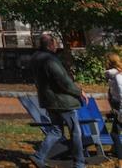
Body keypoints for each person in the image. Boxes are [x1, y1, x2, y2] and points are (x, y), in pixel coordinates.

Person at [30, 33, 88, 168]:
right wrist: (79, 92)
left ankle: (39, 156)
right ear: (51, 44)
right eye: (55, 43)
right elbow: (63, 80)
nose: (56, 46)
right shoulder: (49, 60)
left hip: (49, 100)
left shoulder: (35, 58)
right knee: (75, 132)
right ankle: (79, 163)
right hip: (62, 101)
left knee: (56, 130)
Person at [107, 51, 122, 164]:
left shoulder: (117, 76)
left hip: (121, 108)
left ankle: (120, 159)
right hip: (118, 108)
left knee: (114, 134)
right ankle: (115, 151)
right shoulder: (114, 76)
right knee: (115, 132)